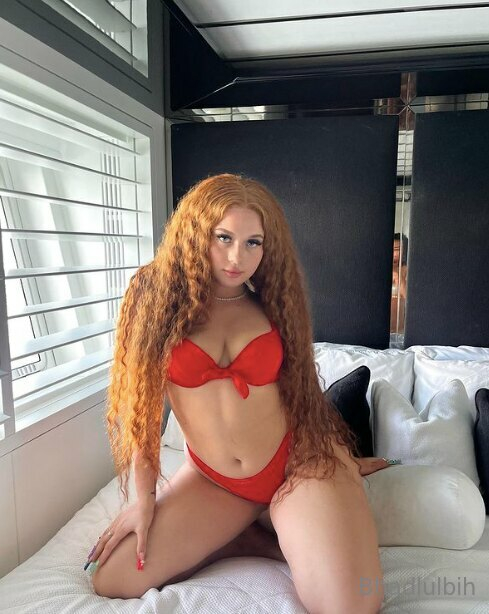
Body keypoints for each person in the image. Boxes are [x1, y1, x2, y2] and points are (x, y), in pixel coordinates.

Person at [86, 173, 393, 612]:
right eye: (224, 237)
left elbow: (302, 394)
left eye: (253, 243)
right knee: (112, 578)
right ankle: (250, 538)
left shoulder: (273, 299)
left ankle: (300, 511)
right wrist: (145, 502)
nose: (237, 258)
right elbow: (143, 413)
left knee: (353, 605)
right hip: (217, 481)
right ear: (196, 231)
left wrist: (341, 459)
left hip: (298, 465)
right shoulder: (153, 297)